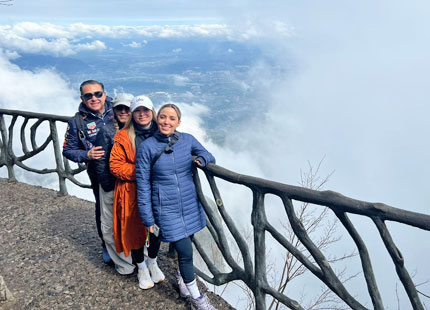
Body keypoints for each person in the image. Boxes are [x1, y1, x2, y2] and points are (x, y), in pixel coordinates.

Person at [135, 104, 217, 310]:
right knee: (186, 252)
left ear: (178, 122)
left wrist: (201, 159)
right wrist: (148, 219)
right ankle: (198, 299)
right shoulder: (147, 147)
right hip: (166, 209)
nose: (166, 122)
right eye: (163, 117)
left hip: (189, 204)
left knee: (185, 248)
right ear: (157, 119)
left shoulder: (187, 140)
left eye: (172, 118)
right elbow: (142, 184)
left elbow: (209, 155)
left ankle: (182, 281)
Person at [109, 95, 165, 289]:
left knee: (156, 229)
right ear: (133, 114)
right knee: (134, 231)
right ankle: (141, 266)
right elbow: (115, 166)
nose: (142, 114)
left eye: (146, 110)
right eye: (138, 111)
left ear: (152, 112)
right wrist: (141, 171)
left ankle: (152, 261)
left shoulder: (162, 132)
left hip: (158, 191)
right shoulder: (123, 136)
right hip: (131, 192)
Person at [63, 79, 114, 264]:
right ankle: (106, 244)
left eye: (98, 94)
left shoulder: (119, 111)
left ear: (105, 94)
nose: (94, 98)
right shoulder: (77, 121)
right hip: (99, 173)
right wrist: (87, 154)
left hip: (125, 171)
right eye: (88, 95)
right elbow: (68, 150)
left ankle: (128, 245)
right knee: (103, 209)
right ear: (82, 98)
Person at [94, 93, 135, 275]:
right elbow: (100, 162)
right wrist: (109, 187)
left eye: (127, 108)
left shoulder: (138, 128)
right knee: (111, 225)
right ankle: (122, 263)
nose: (124, 111)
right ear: (114, 109)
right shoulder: (106, 130)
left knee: (129, 224)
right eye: (120, 108)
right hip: (112, 185)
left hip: (130, 187)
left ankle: (132, 258)